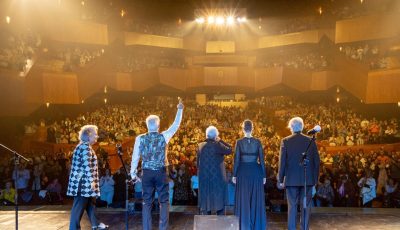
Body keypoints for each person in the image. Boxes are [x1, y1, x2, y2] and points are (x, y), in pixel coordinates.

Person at [130, 99, 184, 230]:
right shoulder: (164, 136)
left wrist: (132, 173)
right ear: (158, 125)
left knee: (147, 203)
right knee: (164, 202)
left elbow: (135, 156)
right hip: (160, 172)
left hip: (147, 173)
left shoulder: (140, 138)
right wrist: (180, 110)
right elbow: (175, 125)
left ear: (147, 125)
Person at [278, 117, 320, 230]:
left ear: (291, 127)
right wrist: (315, 180)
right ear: (302, 127)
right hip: (308, 180)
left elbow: (282, 162)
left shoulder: (286, 141)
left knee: (292, 207)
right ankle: (304, 228)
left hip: (291, 180)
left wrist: (280, 179)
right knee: (305, 206)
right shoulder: (310, 141)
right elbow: (317, 161)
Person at [66, 125, 108, 230]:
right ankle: (73, 228)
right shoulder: (85, 147)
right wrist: (91, 181)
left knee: (91, 202)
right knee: (79, 207)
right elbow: (86, 166)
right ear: (88, 135)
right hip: (83, 182)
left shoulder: (83, 146)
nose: (97, 136)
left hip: (83, 182)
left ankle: (96, 224)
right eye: (95, 134)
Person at [232, 120, 267, 230]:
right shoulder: (258, 142)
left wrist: (234, 174)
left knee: (244, 199)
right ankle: (256, 225)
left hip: (242, 172)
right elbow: (262, 159)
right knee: (256, 199)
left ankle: (244, 225)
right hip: (256, 172)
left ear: (243, 129)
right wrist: (264, 175)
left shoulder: (239, 142)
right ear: (252, 128)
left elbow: (236, 160)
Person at [197, 126, 232, 215]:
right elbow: (230, 149)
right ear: (215, 136)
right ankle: (220, 223)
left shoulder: (200, 146)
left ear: (206, 135)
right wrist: (220, 140)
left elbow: (198, 163)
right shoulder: (218, 145)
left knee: (206, 203)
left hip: (205, 179)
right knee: (219, 202)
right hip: (217, 179)